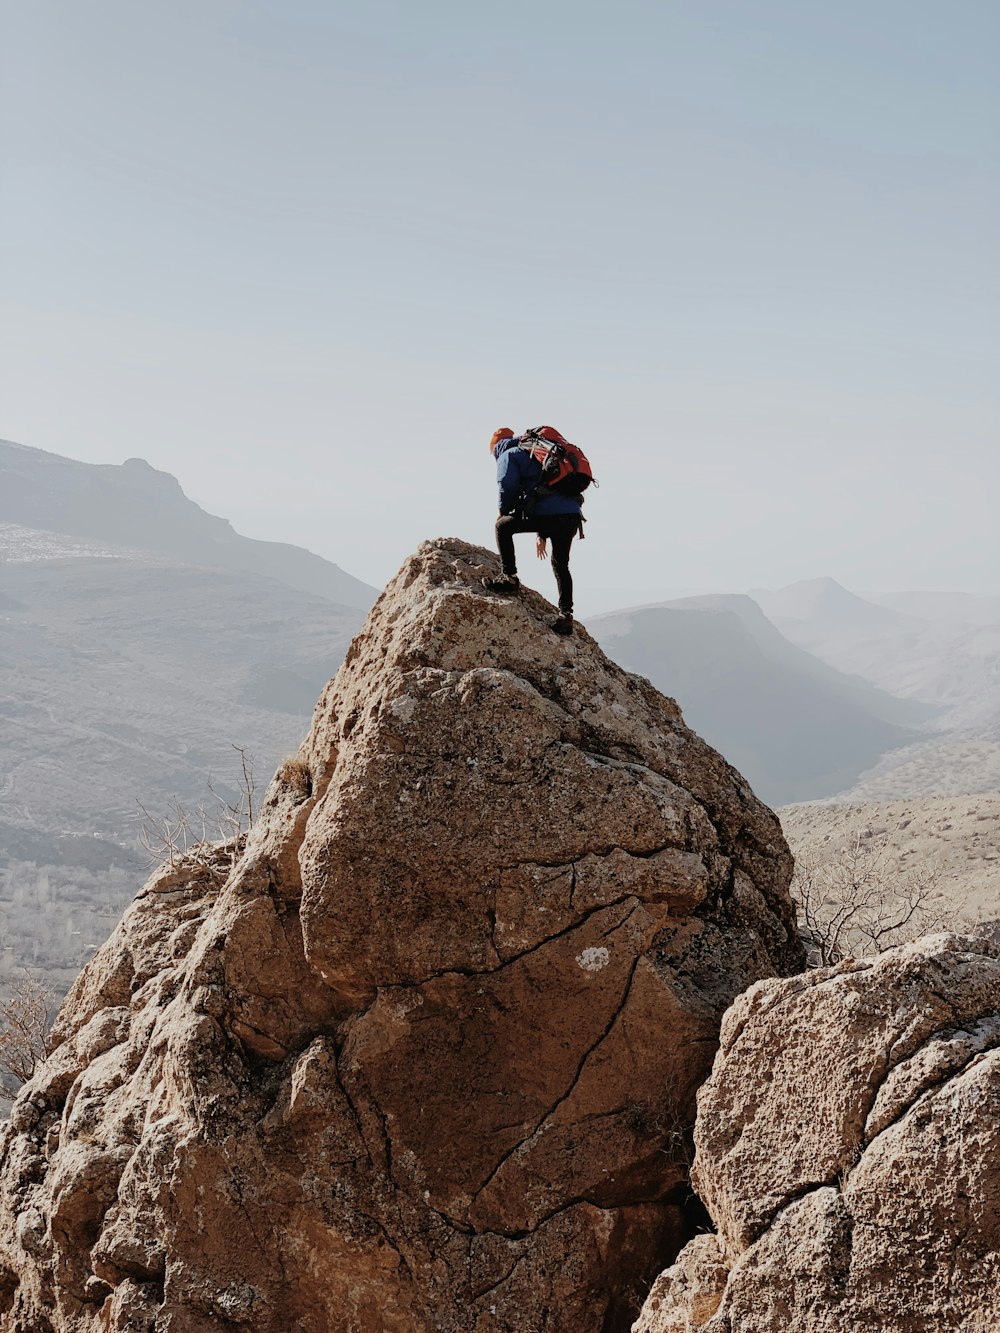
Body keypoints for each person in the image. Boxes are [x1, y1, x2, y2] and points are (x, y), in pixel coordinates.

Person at [481, 426, 584, 636]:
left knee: (502, 527)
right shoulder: (538, 451)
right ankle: (566, 617)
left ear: (495, 447)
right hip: (571, 515)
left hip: (549, 515)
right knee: (561, 564)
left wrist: (502, 511)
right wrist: (542, 534)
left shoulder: (509, 455)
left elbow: (506, 486)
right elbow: (547, 489)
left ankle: (508, 578)